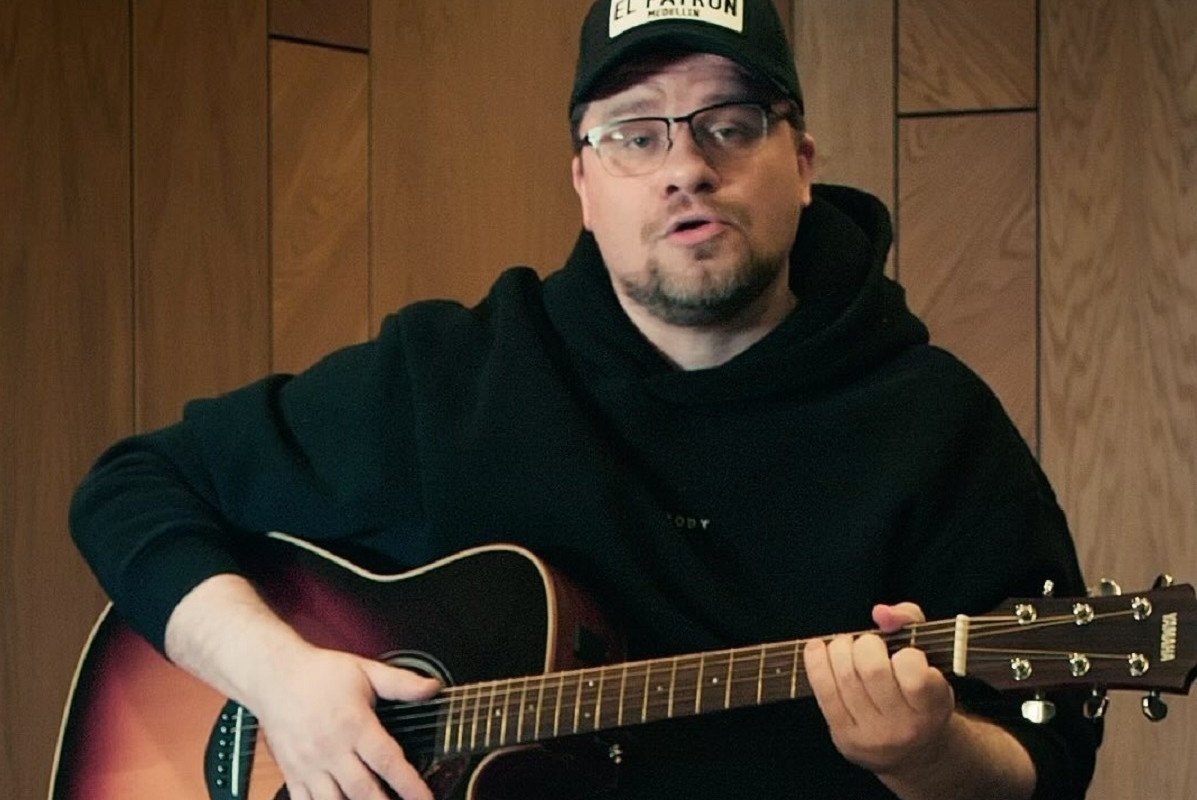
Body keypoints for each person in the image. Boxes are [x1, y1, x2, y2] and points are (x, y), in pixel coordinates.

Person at [70, 1, 1101, 799]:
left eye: (729, 124)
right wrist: (279, 680)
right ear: (581, 180)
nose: (685, 167)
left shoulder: (933, 426)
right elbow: (134, 485)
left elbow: (1046, 757)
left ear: (801, 162)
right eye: (635, 135)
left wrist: (927, 755)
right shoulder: (455, 372)